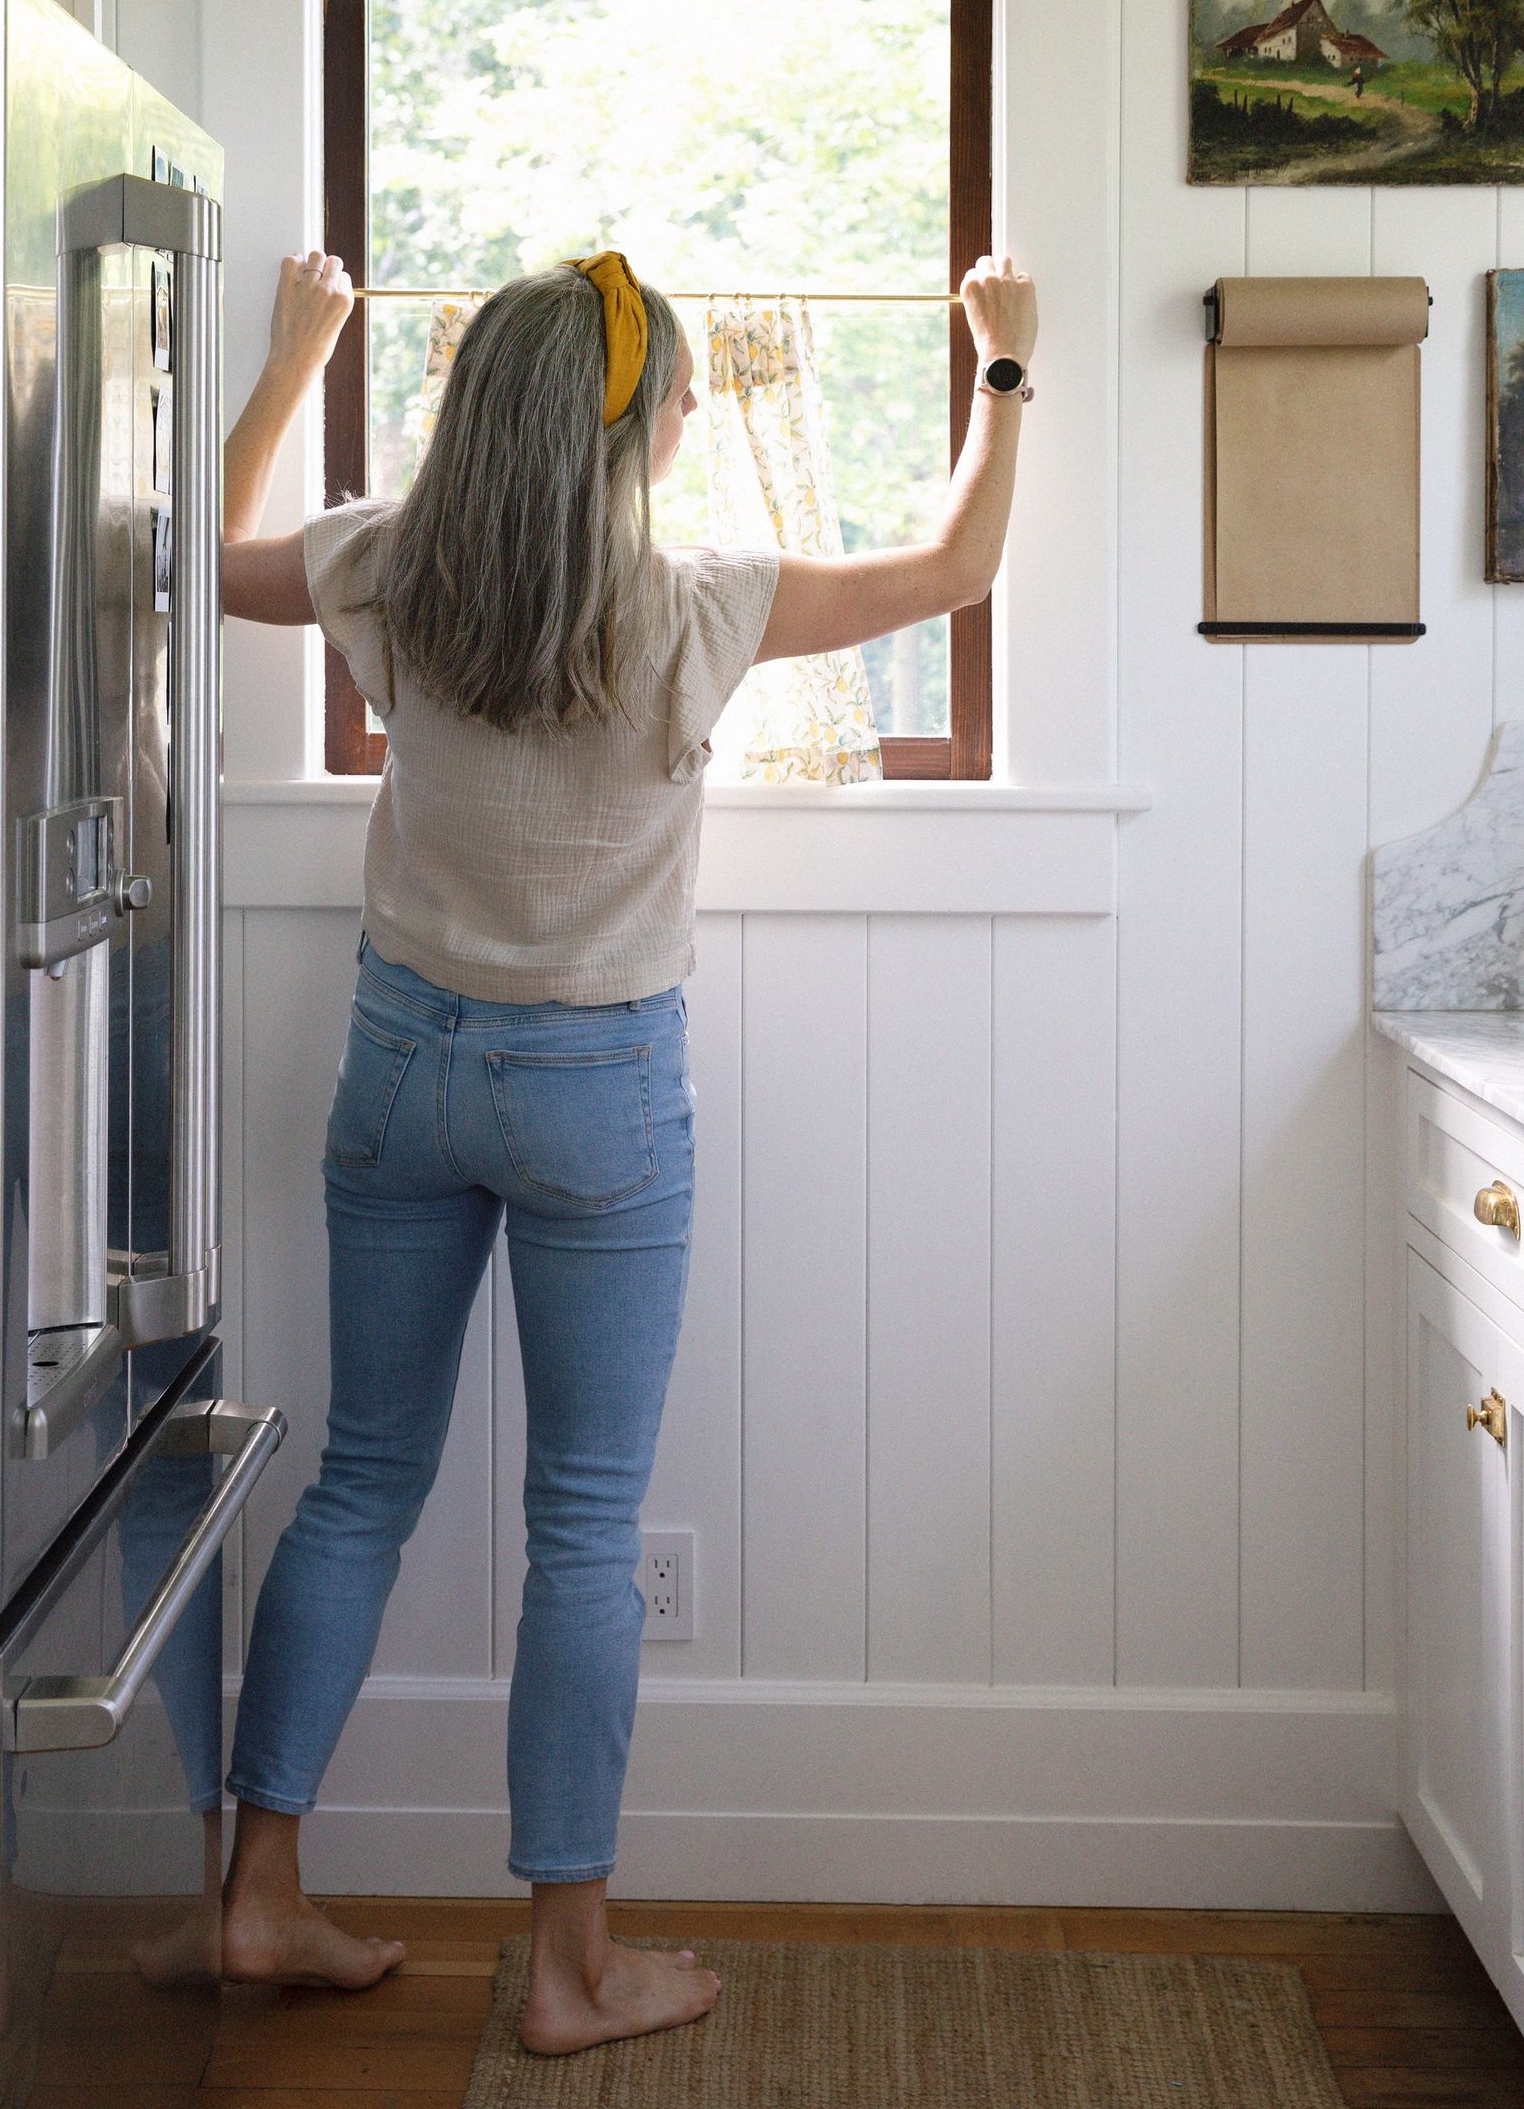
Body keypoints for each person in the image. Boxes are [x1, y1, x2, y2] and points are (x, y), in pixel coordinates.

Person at [216, 244, 1038, 2053]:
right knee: (581, 1531)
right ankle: (575, 1973)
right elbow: (961, 567)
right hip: (596, 1091)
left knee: (360, 1480)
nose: (687, 417)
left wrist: (291, 361)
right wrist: (1002, 369)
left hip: (400, 1067)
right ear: (630, 434)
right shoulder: (694, 606)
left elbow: (202, 558)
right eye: (673, 399)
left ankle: (259, 1895)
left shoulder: (385, 566)